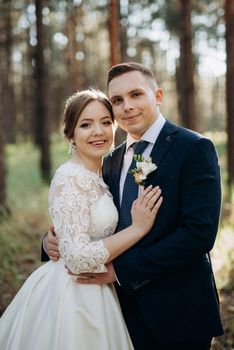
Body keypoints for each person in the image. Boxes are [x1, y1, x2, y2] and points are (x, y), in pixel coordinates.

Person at [44, 62, 224, 350]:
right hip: (119, 312)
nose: (127, 106)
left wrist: (121, 271)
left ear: (158, 96)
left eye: (136, 94)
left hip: (178, 309)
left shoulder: (193, 148)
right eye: (117, 100)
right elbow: (91, 219)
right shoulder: (110, 160)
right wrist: (51, 242)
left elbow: (198, 234)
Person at [0, 88, 163, 350]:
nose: (98, 131)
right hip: (74, 294)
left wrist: (51, 240)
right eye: (86, 124)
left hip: (104, 289)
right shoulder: (70, 178)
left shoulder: (106, 171)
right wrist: (138, 228)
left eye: (105, 122)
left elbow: (81, 227)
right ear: (70, 134)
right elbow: (75, 258)